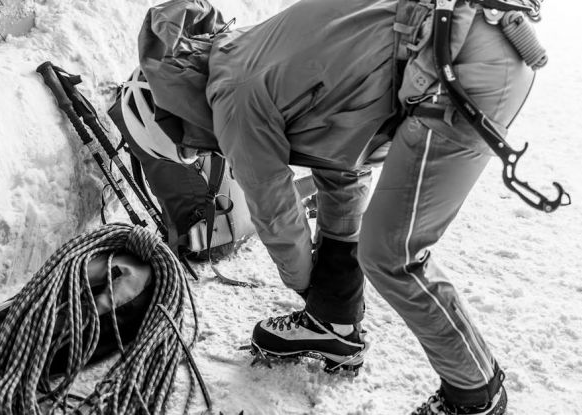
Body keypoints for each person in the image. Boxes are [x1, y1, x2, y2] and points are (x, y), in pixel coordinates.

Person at [132, 0, 539, 413]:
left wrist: (309, 284)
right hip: (468, 41)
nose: (200, 150)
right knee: (375, 232)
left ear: (171, 117)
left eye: (187, 146)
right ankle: (333, 327)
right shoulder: (246, 51)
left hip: (457, 70)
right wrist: (333, 300)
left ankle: (476, 395)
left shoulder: (231, 97)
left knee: (392, 254)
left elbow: (275, 210)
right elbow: (342, 162)